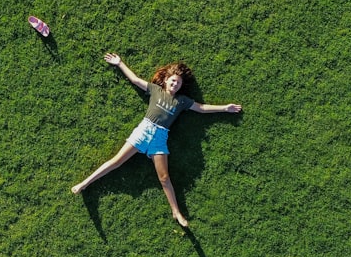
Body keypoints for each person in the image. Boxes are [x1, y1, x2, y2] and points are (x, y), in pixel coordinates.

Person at [71, 53, 242, 227]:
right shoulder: (155, 90)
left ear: (181, 86)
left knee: (164, 178)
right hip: (143, 131)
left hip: (160, 138)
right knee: (116, 161)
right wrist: (120, 63)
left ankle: (176, 212)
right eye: (173, 81)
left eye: (179, 83)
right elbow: (136, 80)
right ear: (166, 80)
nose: (175, 84)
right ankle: (85, 183)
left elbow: (202, 108)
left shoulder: (182, 101)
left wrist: (225, 108)